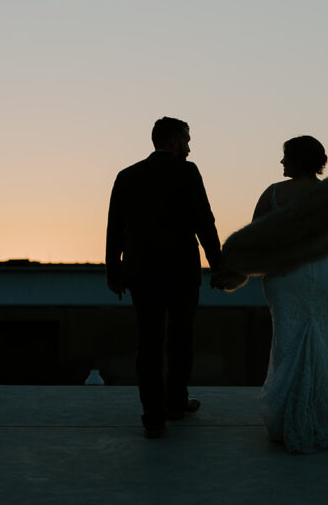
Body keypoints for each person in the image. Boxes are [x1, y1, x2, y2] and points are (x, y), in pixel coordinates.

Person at [214, 135, 328, 454]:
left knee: (289, 342)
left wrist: (229, 268)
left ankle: (289, 421)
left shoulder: (273, 194)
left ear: (298, 160)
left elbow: (252, 241)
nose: (282, 163)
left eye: (285, 157)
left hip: (287, 276)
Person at [106, 117, 222, 438]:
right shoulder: (187, 172)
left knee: (149, 341)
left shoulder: (127, 176)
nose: (189, 147)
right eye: (186, 139)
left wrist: (113, 271)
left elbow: (115, 228)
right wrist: (218, 265)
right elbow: (204, 221)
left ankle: (153, 417)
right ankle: (176, 403)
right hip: (182, 270)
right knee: (181, 337)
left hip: (141, 271)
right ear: (172, 141)